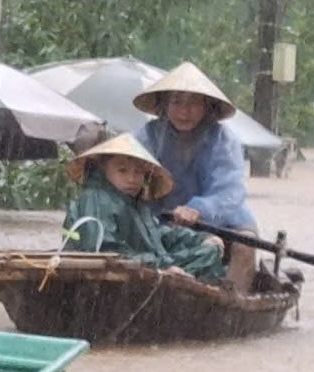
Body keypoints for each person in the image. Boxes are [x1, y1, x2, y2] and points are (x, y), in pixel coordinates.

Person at [133, 62, 258, 291]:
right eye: (176, 101)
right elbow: (132, 178)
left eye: (194, 102)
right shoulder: (147, 136)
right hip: (163, 218)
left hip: (223, 219)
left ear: (207, 106)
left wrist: (199, 209)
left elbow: (230, 190)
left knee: (245, 247)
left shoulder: (223, 139)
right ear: (164, 104)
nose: (184, 111)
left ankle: (230, 307)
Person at [62, 133, 225, 281]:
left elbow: (159, 235)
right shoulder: (96, 198)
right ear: (103, 170)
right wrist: (160, 267)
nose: (131, 179)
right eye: (122, 170)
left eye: (138, 172)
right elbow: (107, 251)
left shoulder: (134, 203)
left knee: (209, 251)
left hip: (145, 264)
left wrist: (199, 239)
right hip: (112, 275)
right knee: (204, 260)